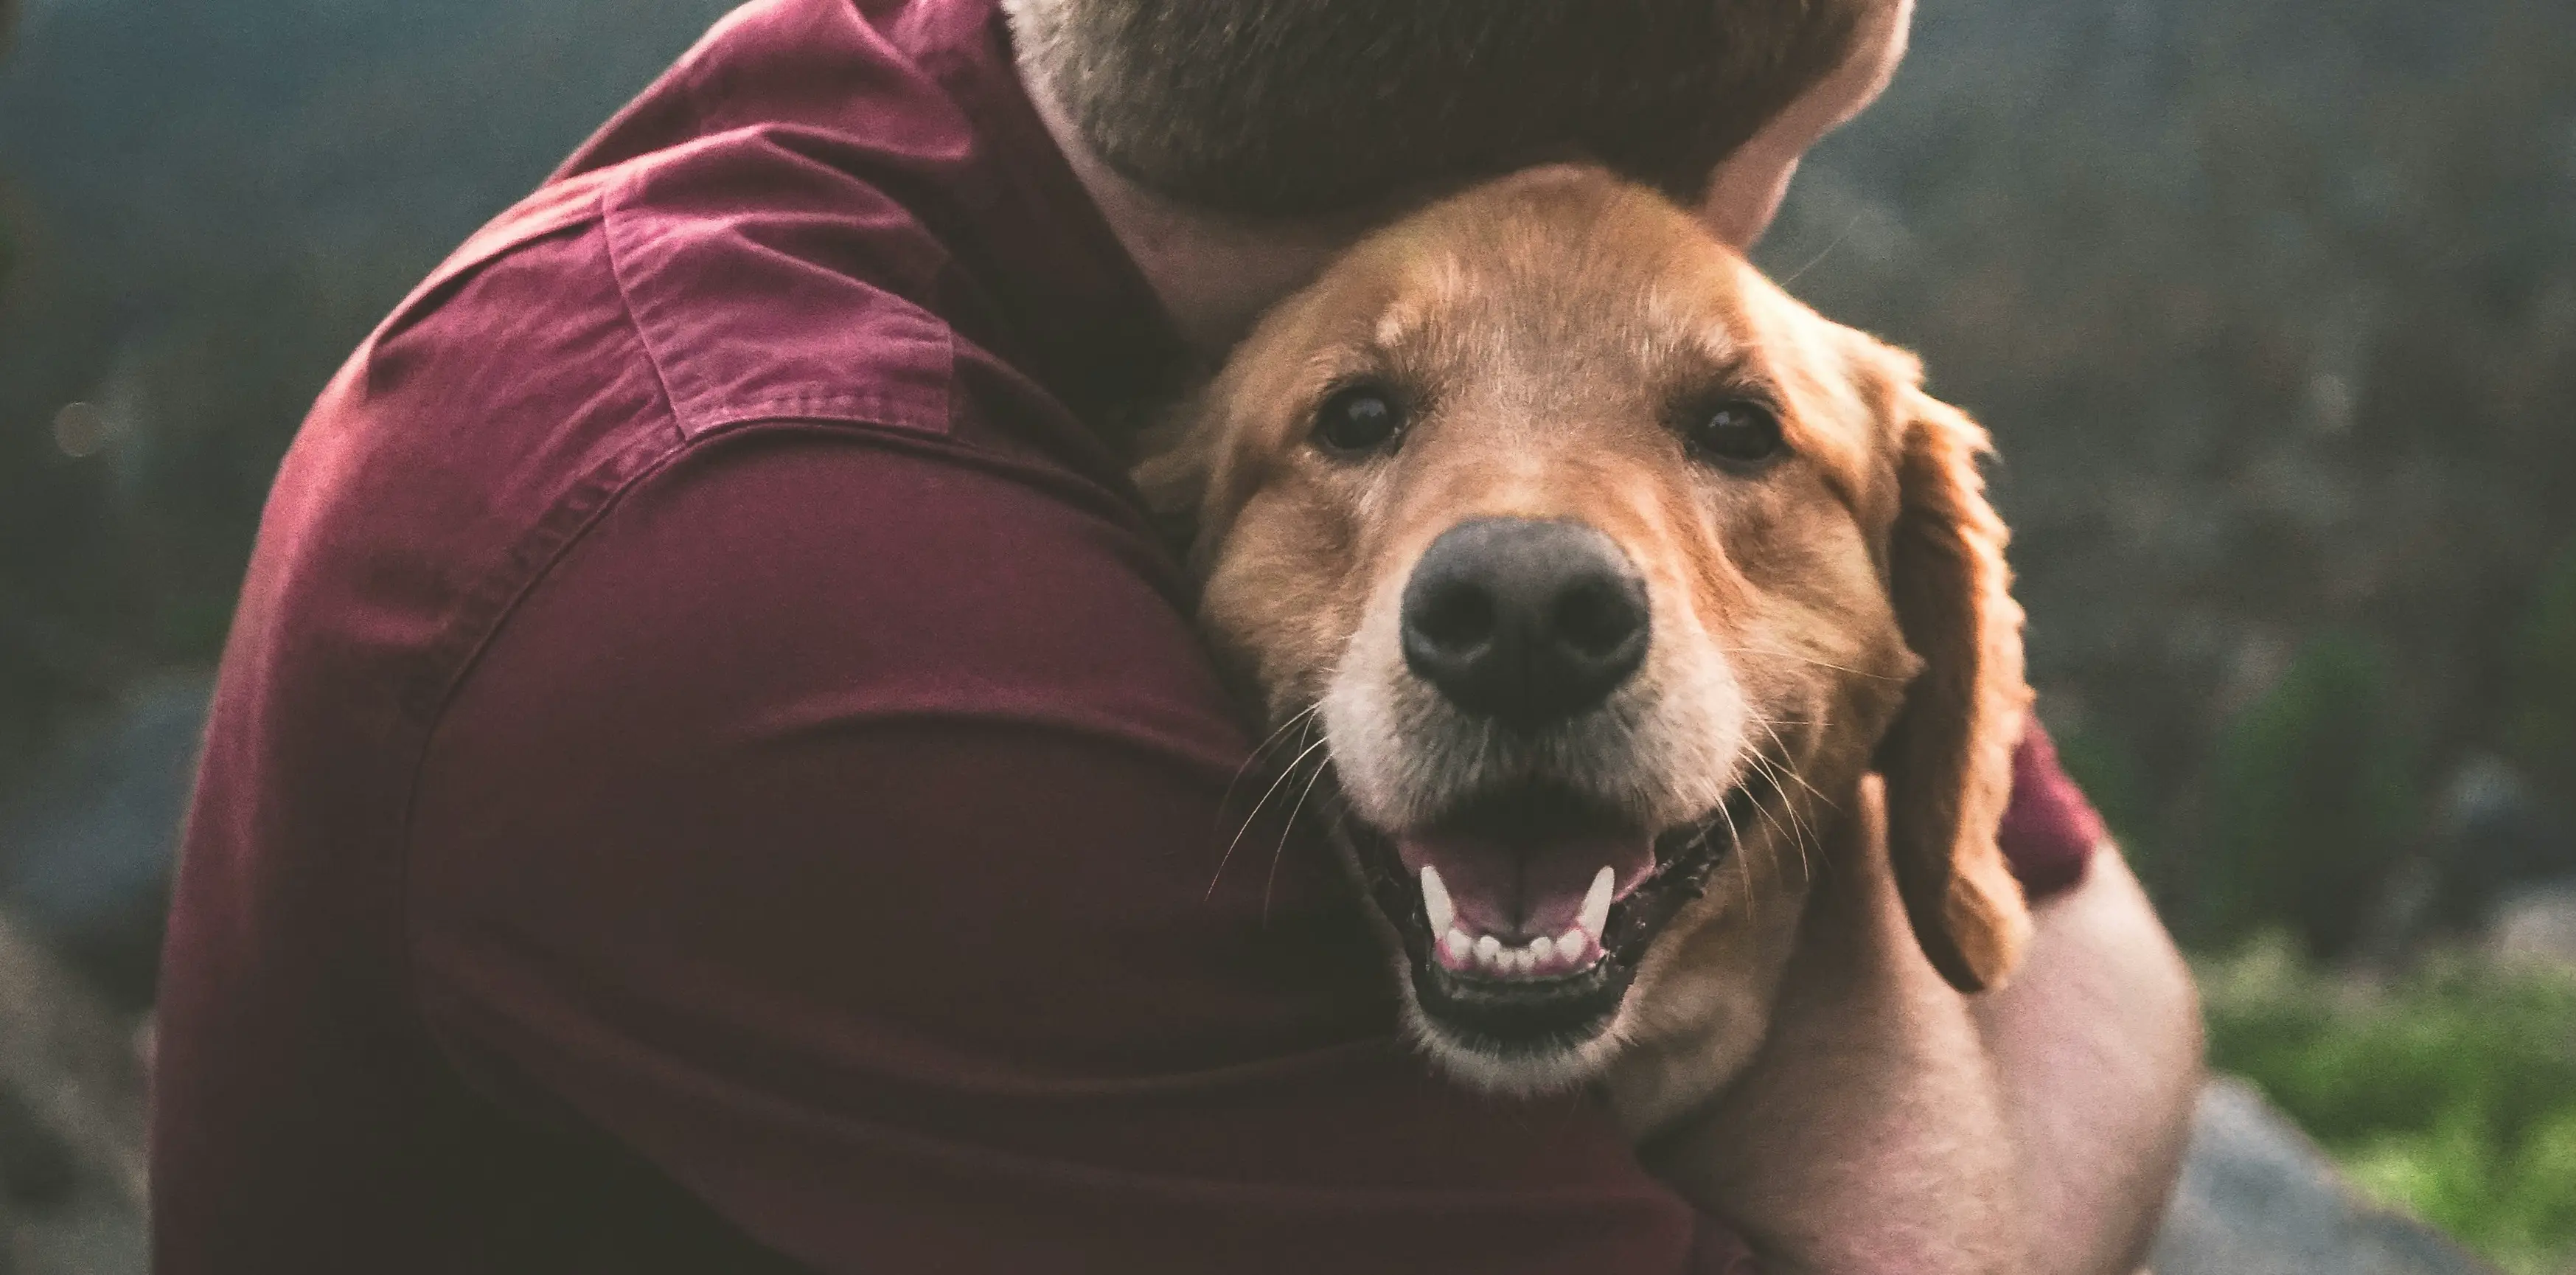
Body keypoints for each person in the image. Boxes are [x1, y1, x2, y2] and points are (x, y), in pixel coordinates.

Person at [149, 0, 2204, 1269]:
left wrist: (1840, 783)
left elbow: (2089, 939)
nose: (1535, 560)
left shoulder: (1112, 81)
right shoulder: (777, 596)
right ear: (1579, 178)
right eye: (1370, 416)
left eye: (1729, 411)